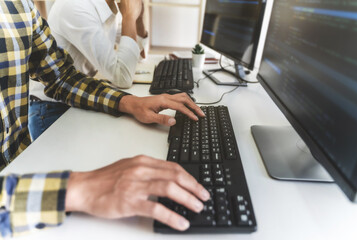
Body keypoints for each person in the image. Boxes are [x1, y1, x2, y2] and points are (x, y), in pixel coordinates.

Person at [0, 0, 209, 237]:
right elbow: (122, 74)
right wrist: (77, 189)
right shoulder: (74, 8)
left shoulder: (18, 6)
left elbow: (61, 76)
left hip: (20, 163)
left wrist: (129, 102)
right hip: (47, 115)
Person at [28, 0, 149, 141]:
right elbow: (122, 77)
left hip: (80, 98)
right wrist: (129, 17)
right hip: (52, 109)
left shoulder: (107, 8)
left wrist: (138, 18)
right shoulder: (75, 7)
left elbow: (140, 56)